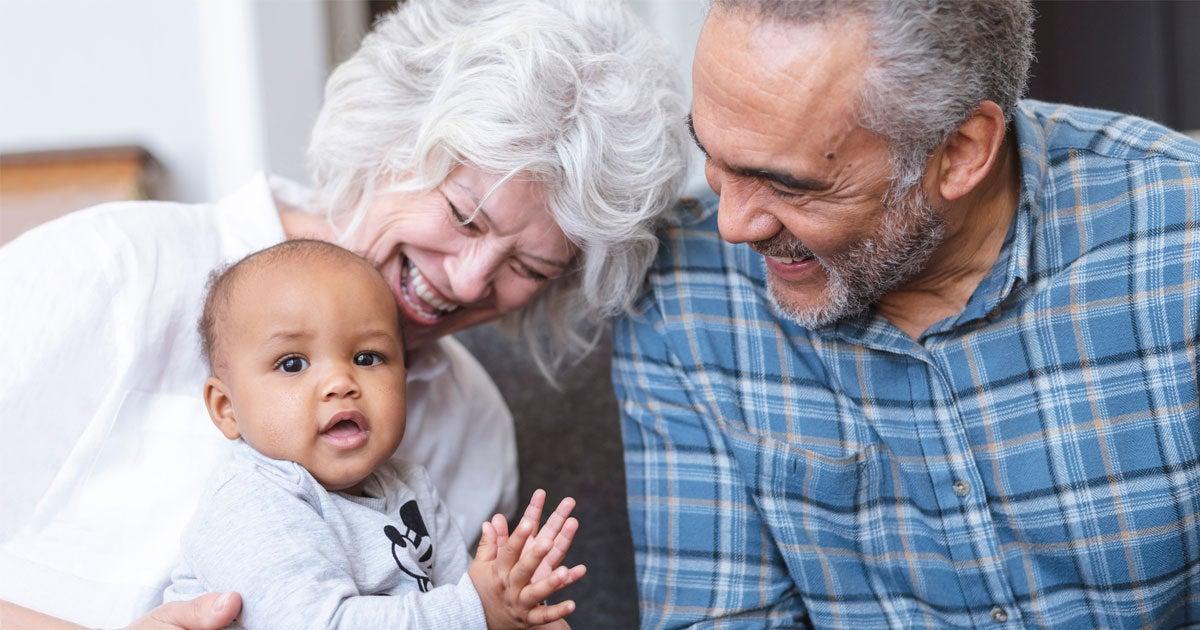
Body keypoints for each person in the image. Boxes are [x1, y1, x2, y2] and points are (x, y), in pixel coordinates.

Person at [0, 0, 687, 627]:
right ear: (389, 141)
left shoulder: (474, 429)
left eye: (528, 268)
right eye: (463, 215)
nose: (470, 279)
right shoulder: (120, 269)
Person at [614, 0, 1200, 627]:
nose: (732, 225)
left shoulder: (1179, 242)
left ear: (962, 152)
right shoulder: (683, 294)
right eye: (713, 155)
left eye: (789, 185)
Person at [164, 239, 585, 629]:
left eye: (368, 357)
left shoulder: (409, 486)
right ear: (226, 409)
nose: (340, 382)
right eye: (292, 363)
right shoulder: (250, 501)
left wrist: (514, 607)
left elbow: (457, 602)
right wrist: (478, 609)